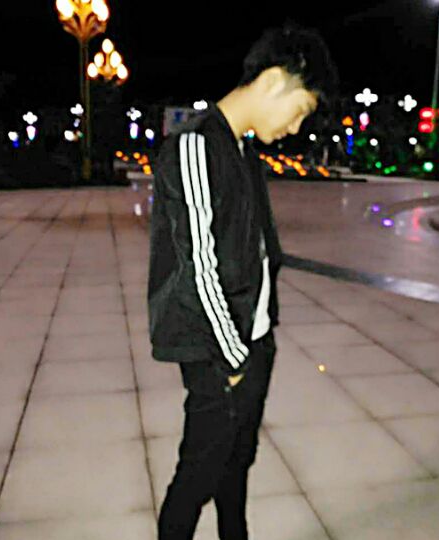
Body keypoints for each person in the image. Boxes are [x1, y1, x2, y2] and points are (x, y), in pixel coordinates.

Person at [147, 18, 338, 540]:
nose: (295, 128)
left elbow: (254, 247)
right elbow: (198, 267)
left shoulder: (243, 151)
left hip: (252, 340)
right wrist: (234, 360)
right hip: (216, 350)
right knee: (198, 474)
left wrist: (260, 339)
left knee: (238, 461)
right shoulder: (194, 146)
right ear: (274, 81)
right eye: (300, 111)